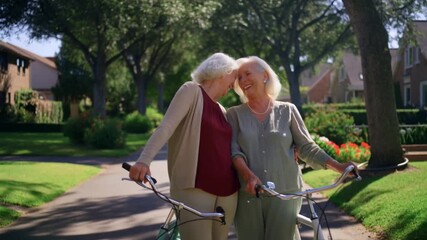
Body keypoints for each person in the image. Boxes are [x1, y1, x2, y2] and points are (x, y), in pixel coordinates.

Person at [226, 56, 359, 240]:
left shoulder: (287, 110)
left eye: (247, 74)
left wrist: (339, 166)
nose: (243, 81)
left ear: (265, 76)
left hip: (285, 193)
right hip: (248, 195)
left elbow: (306, 147)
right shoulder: (234, 114)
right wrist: (249, 176)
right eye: (239, 77)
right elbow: (234, 152)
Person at [129, 52, 240, 240]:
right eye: (234, 76)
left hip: (228, 191)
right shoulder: (191, 91)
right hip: (195, 188)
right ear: (223, 71)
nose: (235, 83)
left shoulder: (222, 110)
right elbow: (166, 127)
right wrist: (143, 160)